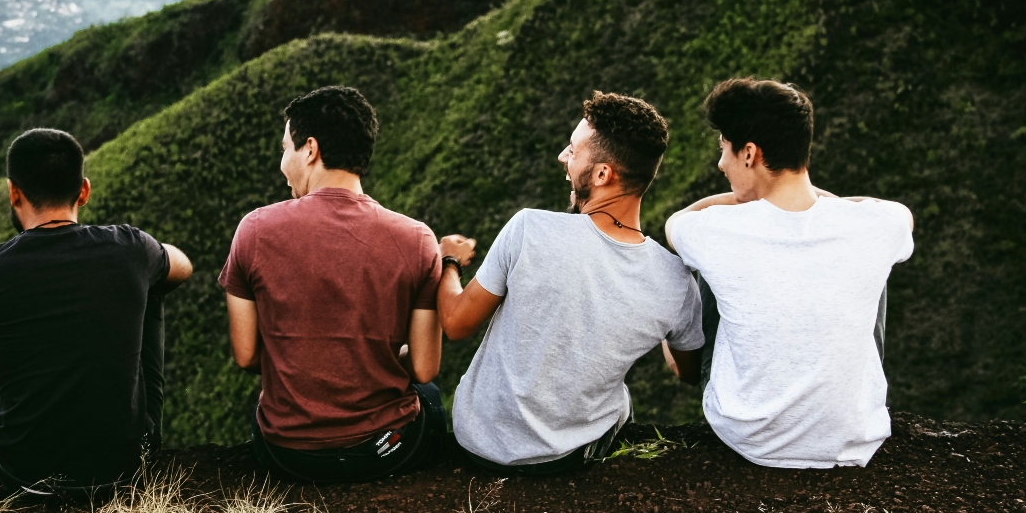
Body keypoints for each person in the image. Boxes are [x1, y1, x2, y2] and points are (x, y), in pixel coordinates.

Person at [437, 91, 705, 476]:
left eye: (573, 150)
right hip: (566, 458)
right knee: (621, 399)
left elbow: (456, 323)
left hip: (478, 443)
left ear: (602, 175)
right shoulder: (676, 281)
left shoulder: (529, 228)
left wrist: (449, 261)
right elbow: (688, 372)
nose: (563, 156)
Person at [664, 78, 914, 469]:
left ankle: (689, 371)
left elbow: (677, 223)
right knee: (871, 263)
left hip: (749, 436)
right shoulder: (877, 224)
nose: (720, 164)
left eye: (724, 150)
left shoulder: (713, 228)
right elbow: (898, 213)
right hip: (851, 439)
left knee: (705, 267)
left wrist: (741, 200)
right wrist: (823, 202)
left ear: (749, 153)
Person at [221, 86, 446, 483]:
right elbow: (425, 368)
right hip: (384, 451)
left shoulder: (254, 230)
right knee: (429, 397)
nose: (282, 163)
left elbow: (246, 355)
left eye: (285, 148)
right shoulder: (418, 239)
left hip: (288, 454)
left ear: (310, 149)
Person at [0, 128, 194, 493]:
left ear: (13, 191)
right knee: (153, 285)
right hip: (120, 468)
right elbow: (184, 266)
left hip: (22, 471)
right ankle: (143, 442)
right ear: (83, 191)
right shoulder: (129, 248)